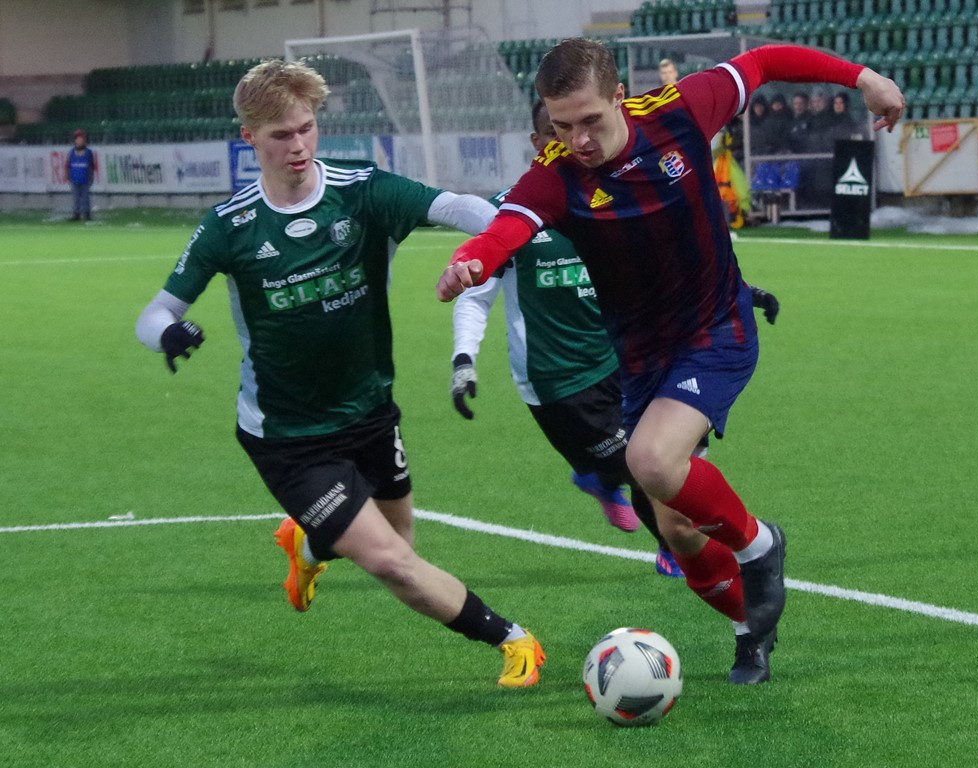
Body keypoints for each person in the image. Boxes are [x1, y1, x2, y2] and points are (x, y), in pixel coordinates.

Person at [436, 40, 904, 683]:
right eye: (562, 125)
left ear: (618, 98)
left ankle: (761, 546)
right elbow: (507, 228)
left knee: (650, 460)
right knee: (679, 530)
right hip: (642, 359)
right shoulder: (556, 175)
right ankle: (750, 630)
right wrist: (474, 263)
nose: (577, 139)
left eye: (590, 120)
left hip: (717, 328)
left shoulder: (680, 111)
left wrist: (864, 74)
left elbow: (764, 61)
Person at [135, 58, 544, 688]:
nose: (297, 146)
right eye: (279, 135)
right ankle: (513, 639)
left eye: (305, 128)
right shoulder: (230, 226)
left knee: (398, 534)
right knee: (392, 560)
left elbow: (459, 207)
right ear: (249, 137)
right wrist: (168, 331)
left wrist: (518, 231)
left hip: (371, 411)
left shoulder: (363, 191)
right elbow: (156, 311)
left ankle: (306, 544)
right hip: (289, 437)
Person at [451, 101, 782, 683]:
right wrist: (463, 357)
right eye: (555, 133)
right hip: (567, 388)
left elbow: (674, 268)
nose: (566, 144)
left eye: (581, 129)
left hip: (643, 366)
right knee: (660, 502)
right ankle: (611, 485)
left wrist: (742, 291)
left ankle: (748, 630)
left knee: (676, 521)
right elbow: (478, 284)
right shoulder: (526, 207)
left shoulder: (621, 192)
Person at [66, 129, 95, 221]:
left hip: (85, 179)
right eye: (77, 139)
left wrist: (91, 177)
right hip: (74, 179)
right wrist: (68, 176)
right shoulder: (71, 152)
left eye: (81, 139)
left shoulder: (88, 152)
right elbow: (68, 165)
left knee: (85, 198)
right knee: (75, 198)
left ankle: (87, 214)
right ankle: (76, 214)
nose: (79, 141)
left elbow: (91, 166)